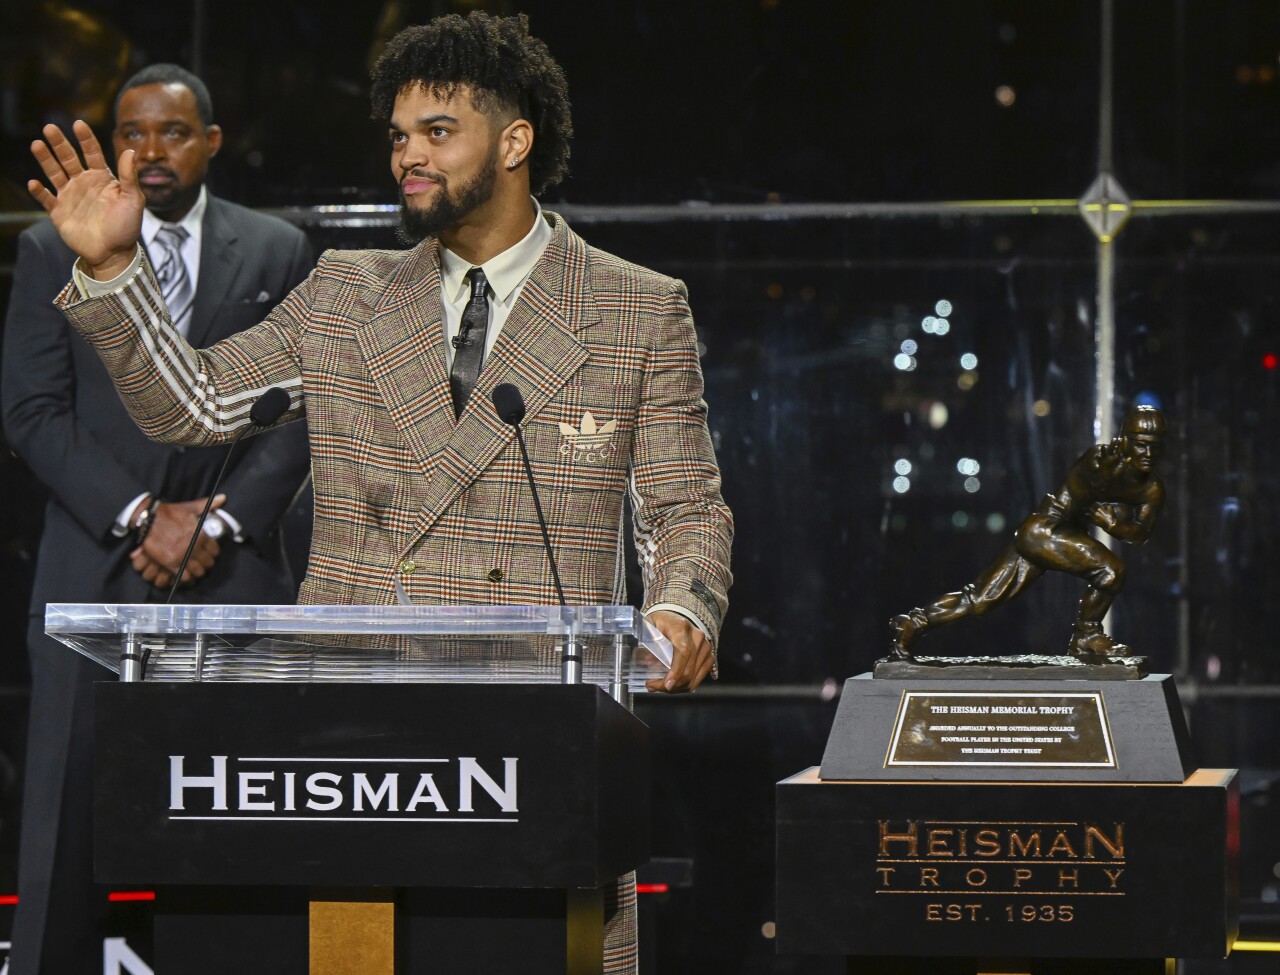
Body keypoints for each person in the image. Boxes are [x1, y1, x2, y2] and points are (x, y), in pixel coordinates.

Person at [25, 14, 734, 972]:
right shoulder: (345, 294)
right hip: (359, 753)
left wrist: (683, 607)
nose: (407, 155)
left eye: (437, 131)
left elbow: (685, 504)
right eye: (399, 135)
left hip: (545, 752)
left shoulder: (634, 307)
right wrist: (113, 270)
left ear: (514, 141)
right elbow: (192, 404)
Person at [3, 63, 313, 974]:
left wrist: (213, 523)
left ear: (210, 142)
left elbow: (305, 414)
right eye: (130, 130)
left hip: (235, 570)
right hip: (88, 574)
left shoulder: (277, 248)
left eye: (170, 131)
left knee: (233, 813)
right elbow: (30, 412)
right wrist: (142, 514)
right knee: (62, 826)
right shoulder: (47, 248)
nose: (148, 149)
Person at [890, 406, 1166, 659]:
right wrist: (1108, 474)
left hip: (1051, 537)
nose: (1148, 454)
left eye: (1154, 447)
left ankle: (914, 623)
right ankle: (1086, 634)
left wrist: (1114, 524)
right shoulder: (1099, 459)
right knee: (1110, 571)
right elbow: (1081, 488)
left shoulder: (1151, 489)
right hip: (1045, 530)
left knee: (982, 599)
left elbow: (1140, 533)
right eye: (1141, 445)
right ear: (1125, 441)